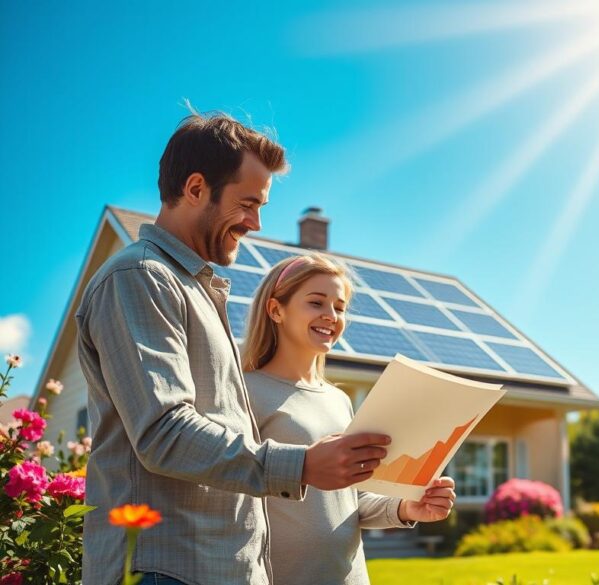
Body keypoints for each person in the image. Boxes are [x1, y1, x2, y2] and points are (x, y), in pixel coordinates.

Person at [76, 112, 392, 585]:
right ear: (197, 188)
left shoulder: (195, 289)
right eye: (248, 203)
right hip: (169, 568)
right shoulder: (140, 278)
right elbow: (164, 431)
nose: (256, 223)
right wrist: (302, 463)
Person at [240, 254, 457, 584]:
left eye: (339, 308)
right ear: (276, 310)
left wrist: (407, 508)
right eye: (316, 303)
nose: (331, 316)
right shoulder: (246, 392)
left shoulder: (338, 400)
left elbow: (350, 499)